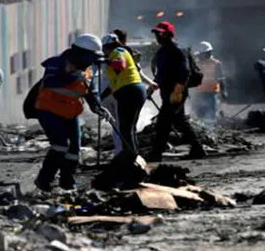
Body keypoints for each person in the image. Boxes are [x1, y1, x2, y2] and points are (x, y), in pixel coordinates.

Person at [33, 33, 111, 192]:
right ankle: (44, 180)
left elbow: (91, 92)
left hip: (70, 112)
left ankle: (67, 181)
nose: (92, 61)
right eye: (91, 57)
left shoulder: (87, 70)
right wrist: (73, 77)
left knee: (74, 149)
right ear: (80, 53)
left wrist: (98, 107)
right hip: (49, 110)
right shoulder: (57, 63)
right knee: (61, 145)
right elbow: (49, 82)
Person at [92, 33, 148, 190]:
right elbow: (114, 84)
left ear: (107, 47)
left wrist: (104, 61)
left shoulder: (119, 52)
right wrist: (99, 98)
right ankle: (134, 159)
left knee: (125, 129)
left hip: (130, 92)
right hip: (132, 91)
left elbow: (120, 65)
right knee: (128, 129)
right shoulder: (117, 55)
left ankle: (131, 163)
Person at [148, 22, 206, 162]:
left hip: (176, 91)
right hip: (167, 91)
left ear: (168, 34)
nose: (157, 36)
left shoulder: (177, 49)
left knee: (164, 121)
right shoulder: (163, 51)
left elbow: (185, 71)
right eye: (156, 33)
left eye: (160, 33)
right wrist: (151, 88)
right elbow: (161, 74)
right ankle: (197, 148)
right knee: (179, 120)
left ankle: (156, 153)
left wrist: (178, 91)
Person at [192, 41, 226, 122]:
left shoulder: (216, 64)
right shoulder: (196, 64)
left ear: (208, 53)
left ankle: (210, 131)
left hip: (211, 93)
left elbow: (221, 78)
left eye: (201, 54)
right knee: (199, 115)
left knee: (210, 115)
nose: (199, 56)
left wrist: (224, 91)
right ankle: (201, 130)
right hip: (199, 93)